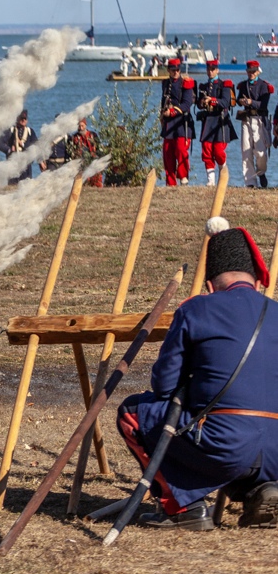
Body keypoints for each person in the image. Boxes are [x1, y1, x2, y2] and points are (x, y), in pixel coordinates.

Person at [116, 224, 278, 530]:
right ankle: (262, 490)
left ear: (210, 284)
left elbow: (163, 385)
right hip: (277, 451)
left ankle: (182, 507)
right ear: (256, 280)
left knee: (132, 413)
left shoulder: (197, 309)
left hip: (224, 444)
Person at [197, 59, 237, 186]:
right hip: (208, 121)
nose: (210, 71)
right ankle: (211, 181)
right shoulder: (203, 87)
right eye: (208, 69)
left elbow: (225, 102)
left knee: (219, 151)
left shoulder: (224, 85)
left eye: (213, 69)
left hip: (220, 121)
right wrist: (202, 103)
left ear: (217, 70)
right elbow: (198, 104)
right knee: (207, 151)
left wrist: (212, 100)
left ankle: (223, 170)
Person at [160, 58, 198, 186]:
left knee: (181, 150)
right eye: (173, 70)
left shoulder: (186, 83)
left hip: (182, 123)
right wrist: (163, 115)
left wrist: (172, 112)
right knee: (167, 152)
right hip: (168, 123)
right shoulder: (165, 83)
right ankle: (170, 182)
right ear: (168, 70)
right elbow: (164, 100)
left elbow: (187, 104)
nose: (176, 72)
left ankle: (183, 176)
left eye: (178, 70)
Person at [236, 60, 272, 188]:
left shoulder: (264, 86)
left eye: (253, 71)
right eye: (249, 71)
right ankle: (250, 182)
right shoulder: (243, 85)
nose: (250, 73)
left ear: (257, 71)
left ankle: (261, 172)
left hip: (259, 119)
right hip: (246, 119)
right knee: (246, 150)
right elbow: (238, 99)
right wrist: (241, 101)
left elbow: (264, 104)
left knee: (260, 151)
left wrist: (251, 102)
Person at [0, 110, 37, 185]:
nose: (23, 120)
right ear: (17, 118)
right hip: (13, 163)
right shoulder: (10, 130)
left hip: (26, 164)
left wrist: (24, 146)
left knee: (26, 186)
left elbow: (36, 146)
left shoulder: (30, 131)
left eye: (25, 119)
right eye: (22, 118)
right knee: (12, 186)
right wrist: (9, 149)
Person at [66, 118, 103, 187]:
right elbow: (70, 151)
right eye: (79, 126)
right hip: (80, 162)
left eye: (82, 126)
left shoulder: (93, 135)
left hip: (93, 160)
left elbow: (99, 149)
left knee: (96, 180)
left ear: (85, 125)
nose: (81, 128)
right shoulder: (74, 137)